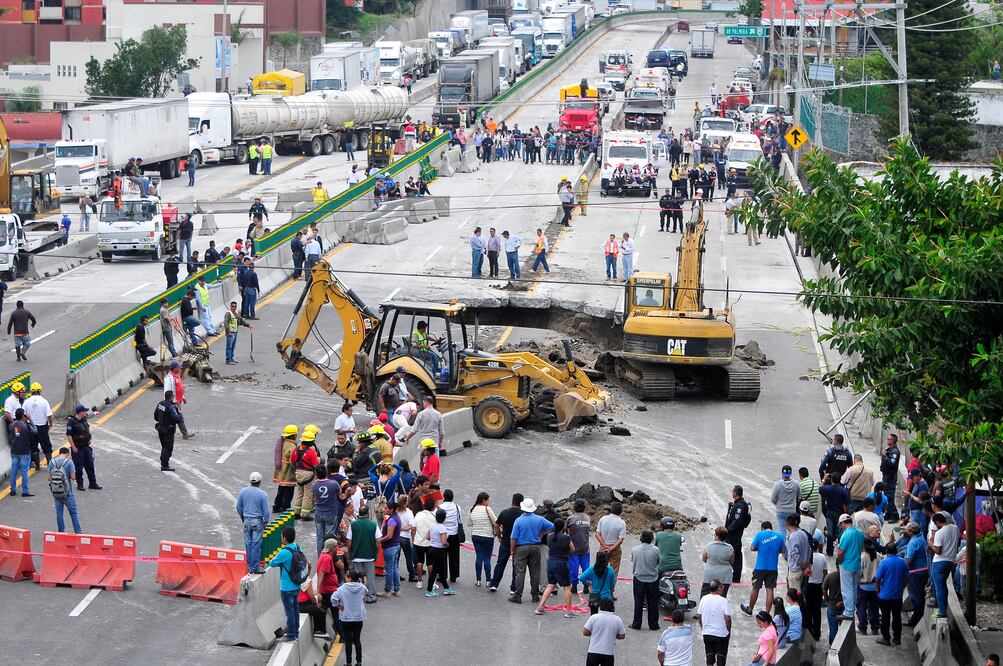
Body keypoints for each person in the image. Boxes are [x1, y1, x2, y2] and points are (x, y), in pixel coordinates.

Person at [509, 497, 554, 604]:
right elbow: (553, 526)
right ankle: (534, 595)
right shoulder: (539, 519)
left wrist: (512, 550)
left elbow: (513, 537)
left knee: (520, 572)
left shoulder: (519, 520)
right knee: (535, 571)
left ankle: (518, 595)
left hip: (521, 548)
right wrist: (543, 533)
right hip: (536, 547)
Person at [267, 527, 307, 642]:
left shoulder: (284, 552)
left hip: (286, 586)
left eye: (281, 536)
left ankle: (291, 634)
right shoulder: (298, 548)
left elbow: (272, 563)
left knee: (289, 611)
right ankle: (295, 632)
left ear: (285, 538)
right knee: (295, 609)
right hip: (297, 584)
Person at [741, 521, 785, 616]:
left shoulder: (760, 535)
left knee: (755, 588)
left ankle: (750, 609)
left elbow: (752, 548)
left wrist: (760, 548)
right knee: (770, 590)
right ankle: (767, 613)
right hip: (772, 568)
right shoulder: (779, 536)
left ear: (762, 528)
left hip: (760, 567)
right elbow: (783, 550)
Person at [536, 517, 577, 618]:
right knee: (567, 587)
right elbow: (573, 550)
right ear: (563, 527)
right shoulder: (566, 538)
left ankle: (540, 607)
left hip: (551, 562)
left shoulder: (549, 536)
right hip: (561, 563)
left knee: (550, 585)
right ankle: (569, 611)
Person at [873, 542, 909, 645]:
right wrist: (902, 587)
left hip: (885, 596)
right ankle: (897, 638)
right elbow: (907, 577)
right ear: (896, 550)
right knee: (897, 617)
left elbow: (878, 579)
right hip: (897, 595)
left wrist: (878, 590)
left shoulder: (884, 562)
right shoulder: (902, 562)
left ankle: (886, 637)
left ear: (887, 551)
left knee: (885, 617)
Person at [490, 492, 524, 594]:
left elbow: (496, 524)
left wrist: (499, 536)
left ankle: (494, 584)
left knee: (500, 563)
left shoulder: (505, 512)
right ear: (521, 502)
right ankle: (513, 588)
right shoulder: (522, 514)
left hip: (505, 541)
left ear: (512, 500)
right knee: (516, 565)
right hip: (518, 543)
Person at [330, 568, 367, 662]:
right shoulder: (362, 587)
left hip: (346, 618)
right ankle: (359, 662)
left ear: (349, 578)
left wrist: (338, 606)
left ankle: (349, 662)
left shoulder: (341, 589)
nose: (345, 578)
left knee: (348, 642)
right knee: (357, 640)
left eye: (346, 576)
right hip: (359, 618)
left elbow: (333, 599)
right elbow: (366, 592)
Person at [236, 471, 270, 574]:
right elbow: (266, 512)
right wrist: (266, 521)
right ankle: (255, 567)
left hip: (246, 520)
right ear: (259, 482)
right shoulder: (263, 494)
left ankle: (250, 565)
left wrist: (243, 516)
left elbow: (238, 507)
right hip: (257, 521)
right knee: (256, 545)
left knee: (248, 543)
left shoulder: (243, 491)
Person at [347, 504, 381, 603]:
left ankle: (359, 596)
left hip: (357, 555)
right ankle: (371, 596)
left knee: (358, 577)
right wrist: (377, 552)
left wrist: (351, 552)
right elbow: (378, 540)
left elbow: (349, 540)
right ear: (367, 513)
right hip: (369, 556)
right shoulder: (373, 524)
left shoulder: (353, 524)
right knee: (370, 577)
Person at [930, 511, 960, 619]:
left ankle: (942, 612)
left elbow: (937, 550)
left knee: (939, 588)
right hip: (951, 562)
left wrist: (930, 545)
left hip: (939, 562)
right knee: (944, 586)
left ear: (938, 522)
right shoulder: (956, 529)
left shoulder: (939, 533)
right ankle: (943, 609)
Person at [629, 530, 661, 630]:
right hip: (652, 579)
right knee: (653, 602)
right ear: (651, 539)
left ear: (641, 538)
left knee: (638, 602)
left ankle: (636, 623)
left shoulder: (635, 549)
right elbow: (658, 562)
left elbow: (632, 561)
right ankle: (653, 624)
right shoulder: (656, 550)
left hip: (639, 579)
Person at [835, 513, 864, 621]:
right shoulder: (860, 532)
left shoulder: (846, 535)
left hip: (847, 565)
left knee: (847, 589)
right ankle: (851, 609)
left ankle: (848, 612)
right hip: (857, 564)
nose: (841, 526)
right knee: (853, 589)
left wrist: (838, 562)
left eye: (841, 524)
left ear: (843, 523)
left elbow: (841, 552)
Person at [696, 579, 732, 666]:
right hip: (721, 634)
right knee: (721, 658)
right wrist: (728, 630)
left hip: (707, 633)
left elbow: (699, 616)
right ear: (719, 588)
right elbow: (727, 619)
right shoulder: (723, 601)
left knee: (709, 658)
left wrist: (703, 627)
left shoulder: (704, 599)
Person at [66, 404, 101, 491]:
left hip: (86, 446)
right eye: (84, 411)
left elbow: (87, 428)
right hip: (78, 447)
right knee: (78, 467)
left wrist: (89, 438)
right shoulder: (71, 422)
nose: (86, 412)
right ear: (80, 412)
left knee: (90, 465)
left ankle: (93, 483)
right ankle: (80, 484)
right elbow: (69, 435)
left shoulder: (84, 419)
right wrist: (73, 447)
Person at [582, 597, 625, 666]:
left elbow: (585, 632)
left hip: (593, 651)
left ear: (600, 607)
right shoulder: (617, 620)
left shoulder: (594, 617)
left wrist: (594, 633)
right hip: (608, 653)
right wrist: (613, 635)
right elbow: (622, 636)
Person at [48, 446, 81, 533]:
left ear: (59, 453)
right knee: (73, 513)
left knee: (59, 513)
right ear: (67, 454)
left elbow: (49, 478)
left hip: (56, 491)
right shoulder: (69, 462)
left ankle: (61, 532)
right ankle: (78, 532)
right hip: (67, 492)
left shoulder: (52, 462)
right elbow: (73, 477)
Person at [425, 507, 456, 597]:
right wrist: (447, 544)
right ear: (444, 518)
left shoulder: (432, 525)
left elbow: (427, 537)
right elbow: (443, 542)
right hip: (439, 550)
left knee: (442, 570)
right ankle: (429, 590)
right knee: (435, 571)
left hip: (431, 548)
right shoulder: (442, 527)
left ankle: (446, 588)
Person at [468, 491, 497, 587]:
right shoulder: (487, 509)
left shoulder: (472, 509)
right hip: (488, 536)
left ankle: (478, 580)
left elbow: (469, 523)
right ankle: (488, 580)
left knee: (479, 557)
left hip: (476, 535)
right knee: (487, 558)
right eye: (487, 500)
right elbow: (495, 522)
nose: (488, 502)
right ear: (483, 500)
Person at [23, 382, 53, 469]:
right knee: (46, 446)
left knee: (33, 446)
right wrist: (50, 424)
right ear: (40, 391)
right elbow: (49, 416)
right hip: (42, 427)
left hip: (31, 426)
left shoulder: (26, 402)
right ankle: (49, 464)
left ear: (31, 391)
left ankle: (37, 466)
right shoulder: (44, 401)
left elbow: (23, 416)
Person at [725, 485, 752, 583]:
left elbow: (737, 520)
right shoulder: (738, 504)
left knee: (734, 553)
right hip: (734, 533)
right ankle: (734, 575)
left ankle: (735, 576)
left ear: (735, 493)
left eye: (733, 492)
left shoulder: (740, 505)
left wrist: (728, 530)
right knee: (735, 553)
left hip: (734, 534)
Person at [154, 390, 185, 472]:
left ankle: (163, 459)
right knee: (168, 448)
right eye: (173, 396)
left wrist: (162, 421)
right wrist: (180, 413)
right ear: (171, 397)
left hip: (160, 428)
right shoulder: (171, 406)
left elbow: (155, 416)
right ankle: (165, 465)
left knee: (164, 446)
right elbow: (177, 418)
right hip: (168, 429)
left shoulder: (160, 403)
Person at [904, 522, 928, 627]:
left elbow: (908, 560)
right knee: (920, 595)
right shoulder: (921, 538)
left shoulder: (913, 542)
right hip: (923, 571)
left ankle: (915, 620)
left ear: (910, 531)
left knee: (916, 596)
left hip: (916, 573)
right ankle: (918, 617)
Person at [701, 527, 736, 598]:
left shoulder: (709, 546)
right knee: (722, 597)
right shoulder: (730, 548)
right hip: (724, 577)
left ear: (717, 536)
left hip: (709, 576)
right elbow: (732, 562)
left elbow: (704, 559)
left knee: (705, 596)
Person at [805, 533, 828, 640]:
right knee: (817, 611)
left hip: (808, 586)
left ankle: (809, 632)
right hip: (818, 586)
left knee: (808, 610)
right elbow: (825, 573)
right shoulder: (822, 557)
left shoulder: (807, 558)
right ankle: (817, 633)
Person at [567, 499, 592, 594]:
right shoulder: (587, 518)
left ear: (574, 507)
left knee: (573, 568)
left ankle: (574, 586)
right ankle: (586, 585)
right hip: (585, 547)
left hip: (573, 548)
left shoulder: (571, 519)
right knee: (586, 567)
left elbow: (567, 530)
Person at [580, 550, 617, 615]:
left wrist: (589, 583)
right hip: (607, 597)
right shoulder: (610, 570)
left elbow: (581, 578)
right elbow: (612, 585)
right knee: (606, 617)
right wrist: (611, 595)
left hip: (595, 597)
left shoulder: (592, 569)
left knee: (594, 617)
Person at [272, 425, 299, 513]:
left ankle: (276, 506)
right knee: (289, 491)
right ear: (293, 435)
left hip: (281, 471)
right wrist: (296, 468)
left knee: (281, 489)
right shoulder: (292, 446)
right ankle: (286, 508)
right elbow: (292, 460)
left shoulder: (283, 442)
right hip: (288, 472)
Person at [784, 514, 812, 593]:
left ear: (786, 524)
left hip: (795, 569)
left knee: (795, 595)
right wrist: (806, 565)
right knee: (800, 592)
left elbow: (795, 554)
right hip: (802, 568)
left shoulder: (793, 536)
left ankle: (799, 605)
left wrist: (802, 565)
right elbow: (809, 550)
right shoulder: (803, 533)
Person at [7, 409, 32, 496]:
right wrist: (30, 420)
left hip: (14, 450)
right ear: (22, 416)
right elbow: (35, 431)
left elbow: (11, 436)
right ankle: (25, 491)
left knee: (14, 470)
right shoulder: (25, 426)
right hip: (25, 451)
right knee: (24, 471)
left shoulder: (11, 425)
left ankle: (13, 490)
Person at [879, 434, 902, 522]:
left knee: (889, 496)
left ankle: (895, 515)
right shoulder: (889, 450)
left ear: (893, 441)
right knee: (886, 495)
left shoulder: (895, 452)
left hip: (890, 477)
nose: (887, 440)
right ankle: (888, 514)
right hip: (886, 475)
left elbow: (892, 464)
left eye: (889, 439)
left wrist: (884, 456)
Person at [222, 301, 252, 365]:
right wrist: (228, 331)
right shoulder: (228, 314)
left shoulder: (236, 313)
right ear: (230, 307)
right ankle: (228, 360)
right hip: (230, 332)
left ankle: (231, 358)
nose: (234, 307)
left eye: (235, 306)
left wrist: (248, 325)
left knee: (233, 346)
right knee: (229, 346)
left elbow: (241, 321)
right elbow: (226, 322)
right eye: (233, 306)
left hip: (235, 332)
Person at [822, 565, 844, 644]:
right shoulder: (846, 577)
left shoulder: (830, 576)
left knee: (833, 629)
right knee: (844, 630)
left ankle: (832, 647)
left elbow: (824, 589)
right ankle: (841, 646)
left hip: (832, 605)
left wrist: (827, 600)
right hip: (844, 605)